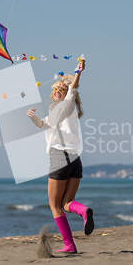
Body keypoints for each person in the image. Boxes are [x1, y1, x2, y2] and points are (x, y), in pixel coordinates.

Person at [26, 60, 93, 253]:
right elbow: (43, 125)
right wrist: (32, 117)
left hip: (60, 158)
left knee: (54, 205)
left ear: (66, 94)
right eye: (55, 88)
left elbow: (73, 89)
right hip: (75, 161)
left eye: (61, 89)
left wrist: (78, 73)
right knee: (66, 203)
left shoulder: (67, 104)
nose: (58, 90)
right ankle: (83, 211)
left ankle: (69, 245)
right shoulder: (57, 112)